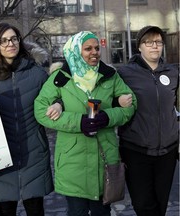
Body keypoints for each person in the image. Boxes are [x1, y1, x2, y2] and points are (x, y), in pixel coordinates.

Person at [34, 31, 137, 216]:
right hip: (72, 161)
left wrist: (108, 117)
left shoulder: (110, 75)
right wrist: (78, 122)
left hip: (104, 156)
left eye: (97, 48)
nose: (94, 52)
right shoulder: (61, 77)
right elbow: (41, 110)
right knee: (76, 212)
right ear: (75, 51)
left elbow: (131, 104)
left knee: (102, 212)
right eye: (88, 48)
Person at [0, 22, 62, 216]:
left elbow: (56, 96)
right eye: (4, 40)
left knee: (35, 209)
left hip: (33, 152)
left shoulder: (37, 74)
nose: (10, 44)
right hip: (1, 157)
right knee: (5, 210)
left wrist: (58, 104)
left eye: (14, 39)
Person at [117, 25, 179, 216]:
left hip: (167, 151)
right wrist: (118, 100)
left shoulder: (172, 72)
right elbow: (104, 96)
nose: (155, 46)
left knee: (160, 204)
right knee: (143, 204)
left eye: (158, 42)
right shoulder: (125, 73)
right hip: (137, 150)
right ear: (140, 46)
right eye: (149, 42)